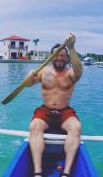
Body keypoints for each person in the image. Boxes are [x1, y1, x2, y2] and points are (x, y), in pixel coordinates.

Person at [25, 33, 83, 176]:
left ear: (67, 57)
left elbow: (79, 72)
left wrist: (71, 47)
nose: (59, 57)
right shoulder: (43, 72)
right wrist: (29, 75)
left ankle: (66, 173)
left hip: (65, 111)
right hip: (45, 110)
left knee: (76, 127)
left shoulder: (71, 73)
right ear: (52, 57)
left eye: (63, 55)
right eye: (56, 54)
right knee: (34, 126)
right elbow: (28, 84)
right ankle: (37, 172)